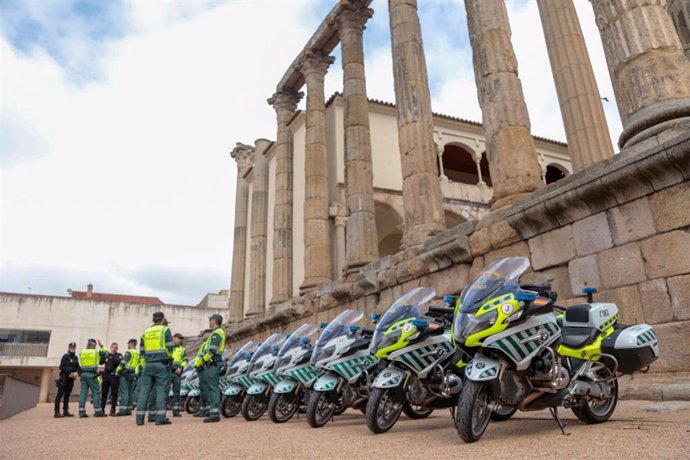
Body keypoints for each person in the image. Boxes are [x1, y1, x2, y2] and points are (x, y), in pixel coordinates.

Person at [135, 311, 173, 426]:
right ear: (162, 319)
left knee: (144, 390)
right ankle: (160, 418)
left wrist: (143, 363)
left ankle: (139, 419)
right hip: (161, 364)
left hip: (148, 364)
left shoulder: (145, 332)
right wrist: (169, 358)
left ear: (153, 320)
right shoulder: (165, 329)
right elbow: (170, 347)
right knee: (160, 390)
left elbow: (141, 351)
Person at [195, 314, 226, 423]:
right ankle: (212, 411)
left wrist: (203, 360)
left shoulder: (216, 333)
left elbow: (212, 350)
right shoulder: (216, 333)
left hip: (213, 363)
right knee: (211, 387)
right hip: (212, 363)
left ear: (214, 321)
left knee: (213, 388)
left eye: (210, 319)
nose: (209, 321)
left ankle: (214, 413)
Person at [78, 338, 108, 418]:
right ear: (94, 345)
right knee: (96, 392)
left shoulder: (82, 352)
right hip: (92, 375)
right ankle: (98, 411)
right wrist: (101, 346)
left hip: (83, 374)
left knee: (83, 393)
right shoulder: (96, 352)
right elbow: (107, 353)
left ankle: (81, 412)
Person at [54, 342, 80, 418]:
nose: (72, 349)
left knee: (67, 395)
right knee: (60, 395)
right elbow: (61, 367)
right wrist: (70, 372)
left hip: (71, 379)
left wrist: (77, 373)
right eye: (71, 348)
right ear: (68, 348)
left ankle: (65, 411)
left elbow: (78, 367)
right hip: (64, 378)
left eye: (74, 348)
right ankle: (56, 412)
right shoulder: (65, 356)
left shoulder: (75, 357)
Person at [113, 339, 139, 416]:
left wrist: (117, 370)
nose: (127, 345)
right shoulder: (137, 353)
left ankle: (122, 410)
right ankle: (128, 409)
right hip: (132, 374)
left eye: (128, 344)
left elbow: (123, 362)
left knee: (124, 392)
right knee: (131, 392)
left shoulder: (129, 352)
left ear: (131, 344)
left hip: (125, 374)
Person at [193, 329, 212, 418]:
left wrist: (200, 363)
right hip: (200, 368)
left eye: (204, 334)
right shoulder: (204, 344)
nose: (203, 336)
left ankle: (208, 410)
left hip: (204, 367)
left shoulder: (209, 343)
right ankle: (202, 409)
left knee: (206, 390)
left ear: (209, 334)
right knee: (202, 390)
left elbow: (206, 355)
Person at [100, 342, 122, 415]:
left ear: (117, 349)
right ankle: (102, 410)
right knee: (104, 393)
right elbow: (100, 362)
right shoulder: (107, 355)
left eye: (116, 347)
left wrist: (112, 355)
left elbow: (118, 362)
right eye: (113, 347)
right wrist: (104, 355)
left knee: (114, 394)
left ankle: (113, 410)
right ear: (110, 347)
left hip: (113, 376)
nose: (114, 349)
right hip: (106, 376)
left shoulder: (119, 355)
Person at [170, 333, 188, 417]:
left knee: (176, 391)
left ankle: (175, 411)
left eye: (181, 340)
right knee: (164, 391)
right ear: (174, 338)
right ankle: (161, 410)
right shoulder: (168, 347)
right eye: (178, 339)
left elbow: (185, 360)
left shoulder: (182, 349)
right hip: (168, 371)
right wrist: (174, 368)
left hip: (178, 372)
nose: (179, 341)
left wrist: (181, 367)